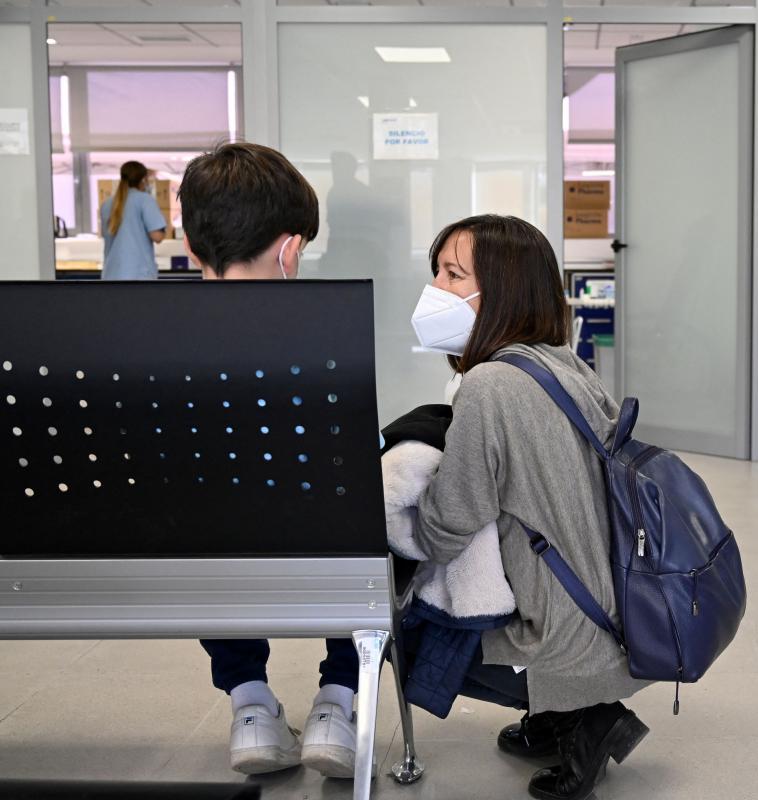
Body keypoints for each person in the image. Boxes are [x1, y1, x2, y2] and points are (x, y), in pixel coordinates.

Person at [411, 215, 650, 800]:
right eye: (437, 272)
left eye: (453, 275)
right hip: (617, 610)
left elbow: (448, 525)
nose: (435, 289)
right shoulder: (561, 362)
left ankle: (582, 716)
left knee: (404, 624)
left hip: (568, 633)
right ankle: (552, 712)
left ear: (503, 292)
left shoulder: (489, 386)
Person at [178, 141, 360, 778]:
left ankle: (250, 705)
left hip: (193, 551)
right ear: (289, 250)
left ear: (191, 245)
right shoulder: (325, 339)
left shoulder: (151, 342)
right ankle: (339, 700)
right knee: (386, 509)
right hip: (321, 545)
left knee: (205, 516)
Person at [99, 160, 167, 280]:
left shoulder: (107, 204)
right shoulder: (145, 200)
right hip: (138, 276)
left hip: (111, 276)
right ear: (143, 180)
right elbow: (157, 236)